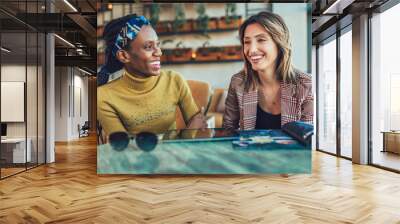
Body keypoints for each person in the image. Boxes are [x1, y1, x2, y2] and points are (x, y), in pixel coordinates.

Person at [97, 14, 207, 136]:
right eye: (148, 47)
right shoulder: (104, 96)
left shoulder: (174, 80)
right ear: (123, 56)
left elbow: (198, 133)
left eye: (157, 45)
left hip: (178, 155)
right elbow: (123, 149)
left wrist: (195, 128)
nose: (159, 52)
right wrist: (187, 133)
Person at [223, 11, 313, 131]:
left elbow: (308, 138)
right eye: (247, 42)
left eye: (261, 40)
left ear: (279, 43)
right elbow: (228, 130)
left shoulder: (306, 84)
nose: (252, 50)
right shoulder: (238, 82)